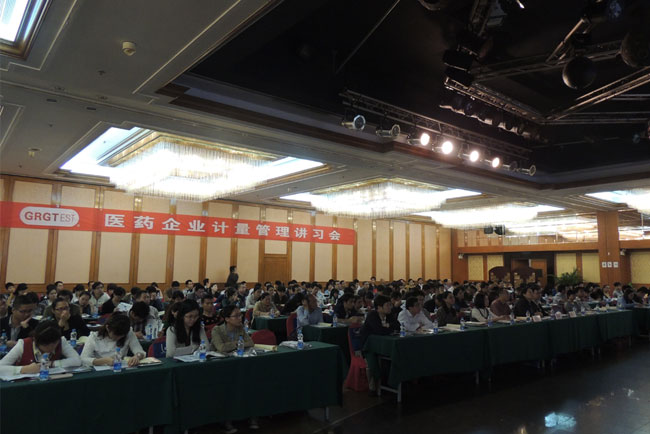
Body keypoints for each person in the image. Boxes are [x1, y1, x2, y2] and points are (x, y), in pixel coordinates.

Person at [0, 320, 81, 375]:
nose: (50, 348)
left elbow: (77, 360)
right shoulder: (23, 344)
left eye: (54, 344)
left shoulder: (61, 341)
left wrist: (51, 364)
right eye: (45, 345)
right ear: (35, 340)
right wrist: (24, 369)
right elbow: (1, 367)